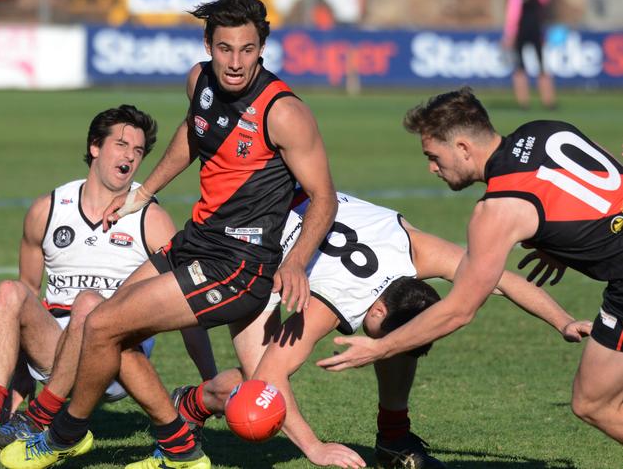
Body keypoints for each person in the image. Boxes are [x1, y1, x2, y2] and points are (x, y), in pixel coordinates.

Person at [0, 0, 337, 469]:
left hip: (236, 266)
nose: (235, 62)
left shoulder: (283, 112)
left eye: (247, 50)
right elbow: (192, 134)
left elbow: (324, 197)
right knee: (106, 323)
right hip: (194, 241)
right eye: (225, 48)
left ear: (262, 48)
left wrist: (297, 261)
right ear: (207, 44)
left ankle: (62, 435)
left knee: (100, 324)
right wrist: (144, 189)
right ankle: (179, 448)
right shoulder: (199, 81)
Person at [171, 190, 591, 469]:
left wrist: (563, 321)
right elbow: (270, 377)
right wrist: (315, 448)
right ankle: (190, 403)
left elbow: (500, 278)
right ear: (375, 307)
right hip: (252, 239)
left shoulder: (418, 251)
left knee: (396, 345)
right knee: (256, 397)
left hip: (303, 203)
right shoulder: (332, 301)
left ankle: (393, 437)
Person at [317, 87, 623, 445]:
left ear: (463, 147)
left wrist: (380, 348)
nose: (432, 168)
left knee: (594, 403)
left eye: (434, 156)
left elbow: (459, 310)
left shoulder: (496, 211)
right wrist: (567, 234)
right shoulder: (545, 129)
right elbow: (608, 168)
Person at [0, 105, 216, 451]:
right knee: (8, 291)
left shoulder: (151, 218)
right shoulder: (48, 209)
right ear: (94, 147)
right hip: (53, 349)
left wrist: (209, 379)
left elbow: (185, 305)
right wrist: (21, 374)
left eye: (137, 150)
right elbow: (27, 294)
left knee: (90, 306)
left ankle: (37, 420)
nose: (130, 157)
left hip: (114, 357)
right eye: (121, 145)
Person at [502, 0, 556, 109]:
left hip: (536, 33)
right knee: (520, 68)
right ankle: (523, 102)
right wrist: (509, 34)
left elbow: (545, 1)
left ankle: (548, 101)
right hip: (520, 33)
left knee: (543, 67)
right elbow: (512, 14)